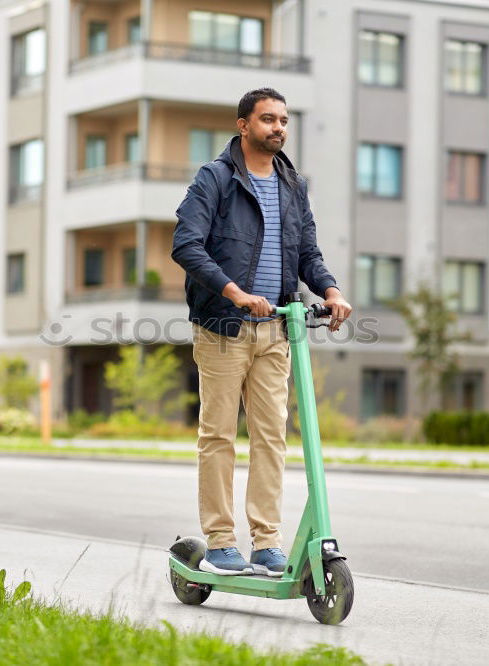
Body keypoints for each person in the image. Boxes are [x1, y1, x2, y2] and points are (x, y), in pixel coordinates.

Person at [172, 88, 352, 576]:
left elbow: (308, 253)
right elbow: (186, 245)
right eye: (268, 119)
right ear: (243, 125)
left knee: (272, 437)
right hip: (224, 326)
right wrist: (233, 292)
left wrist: (331, 291)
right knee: (219, 436)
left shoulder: (293, 185)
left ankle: (267, 542)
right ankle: (221, 541)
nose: (278, 128)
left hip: (277, 328)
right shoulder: (216, 178)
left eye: (284, 120)